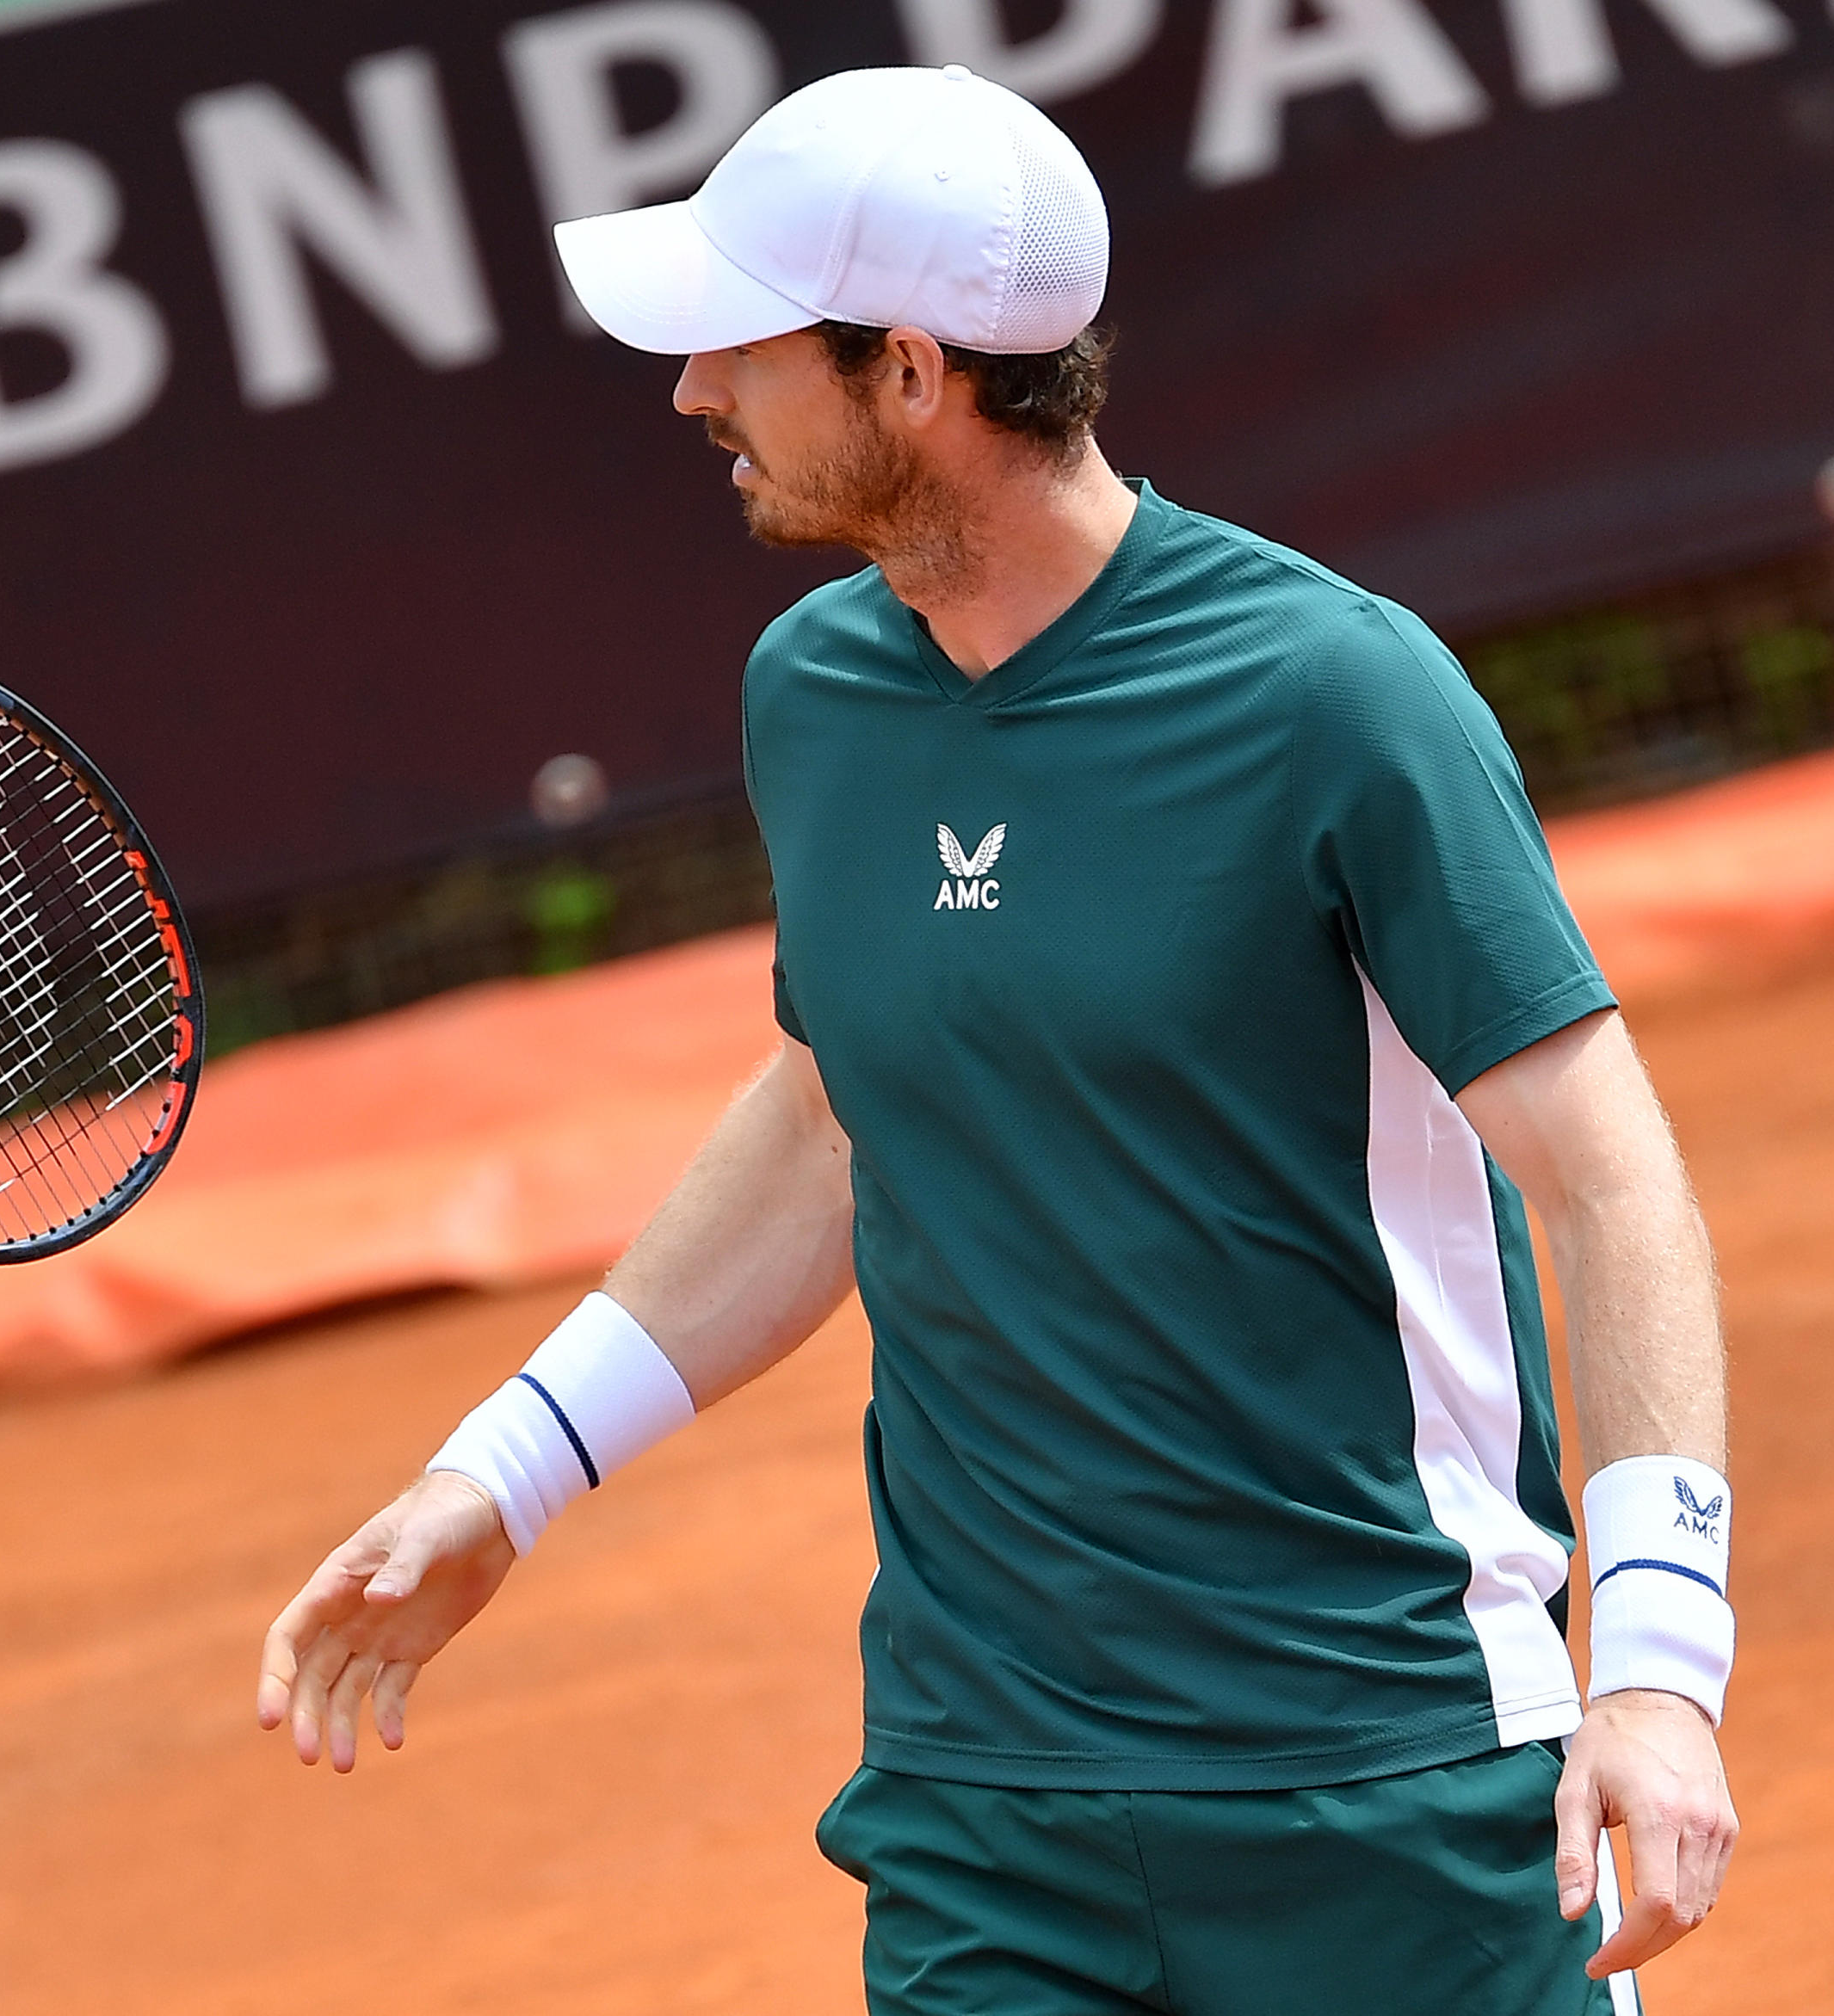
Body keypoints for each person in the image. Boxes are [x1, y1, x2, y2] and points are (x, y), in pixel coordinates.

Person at [257, 65, 1736, 2015]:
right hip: (987, 1806)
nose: (691, 389)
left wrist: (1657, 1667)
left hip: (1390, 1778)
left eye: (741, 343)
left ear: (912, 374)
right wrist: (502, 1472)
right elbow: (835, 1111)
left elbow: (1603, 1169)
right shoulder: (818, 693)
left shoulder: (1335, 696)